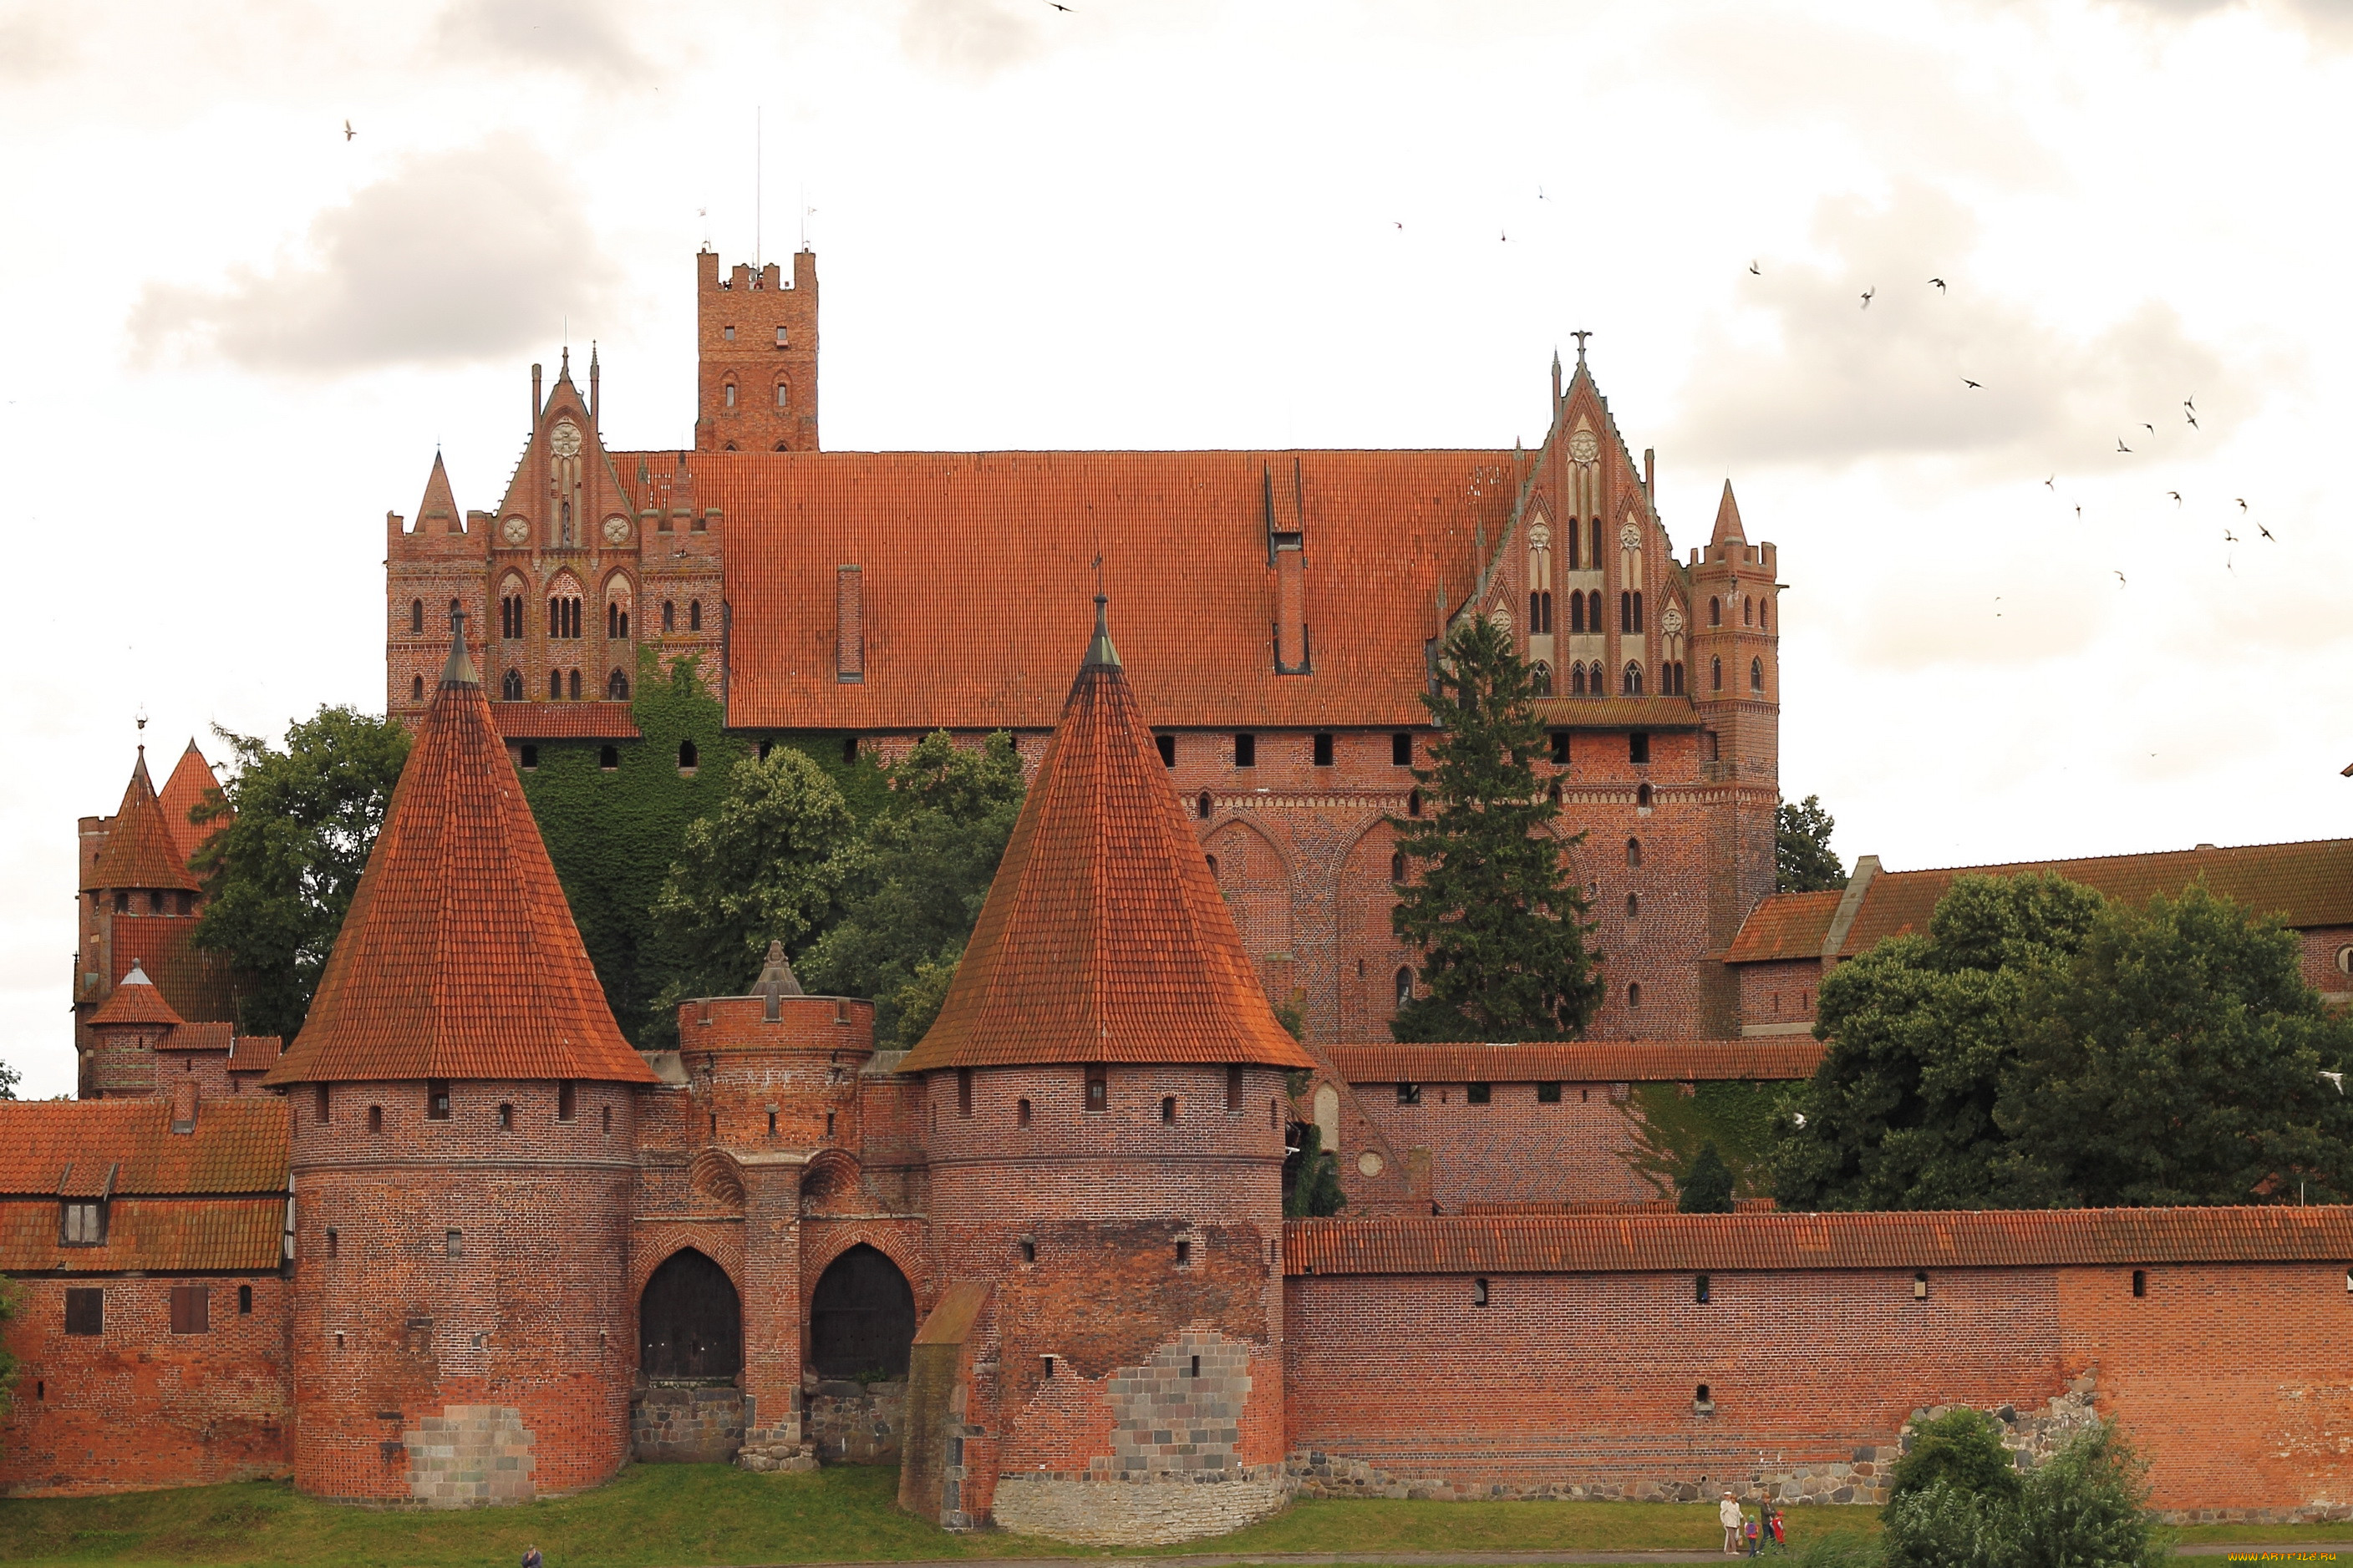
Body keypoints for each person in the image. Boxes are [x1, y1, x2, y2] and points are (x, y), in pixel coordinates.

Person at [1719, 1491, 1743, 1555]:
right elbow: (1722, 1513)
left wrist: (1738, 1524)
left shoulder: (1737, 1505)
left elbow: (1738, 1515)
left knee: (1731, 1537)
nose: (1733, 1500)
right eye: (1732, 1498)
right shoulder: (1727, 1505)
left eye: (1734, 1499)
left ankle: (1727, 1550)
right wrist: (1723, 1521)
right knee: (1732, 1536)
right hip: (1729, 1523)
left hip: (1735, 1523)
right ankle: (1733, 1550)